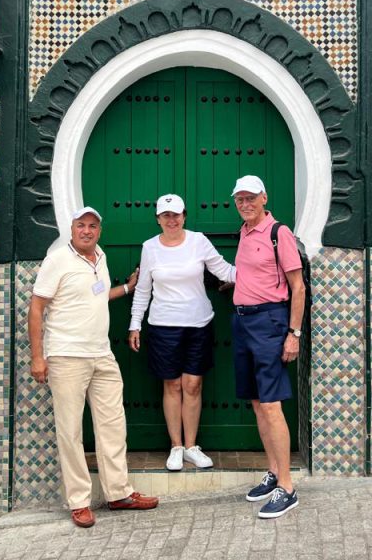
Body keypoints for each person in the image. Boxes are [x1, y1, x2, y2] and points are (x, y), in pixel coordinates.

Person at [29, 206, 159, 528]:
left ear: (99, 231)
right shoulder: (57, 260)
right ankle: (79, 501)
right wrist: (37, 357)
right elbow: (36, 308)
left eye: (93, 226)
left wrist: (127, 288)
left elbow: (96, 295)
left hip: (102, 355)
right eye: (81, 225)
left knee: (113, 424)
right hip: (66, 356)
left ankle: (118, 492)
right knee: (70, 431)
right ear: (71, 229)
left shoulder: (99, 257)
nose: (87, 231)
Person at [128, 193, 236, 472]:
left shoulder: (199, 241)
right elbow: (143, 290)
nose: (171, 220)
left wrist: (260, 273)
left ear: (184, 216)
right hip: (163, 325)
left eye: (176, 214)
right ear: (158, 219)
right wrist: (134, 323)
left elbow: (224, 270)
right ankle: (176, 447)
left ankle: (191, 447)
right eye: (166, 215)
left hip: (198, 323)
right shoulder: (150, 247)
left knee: (193, 385)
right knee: (172, 385)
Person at [231, 176, 305, 519]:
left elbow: (298, 287)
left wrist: (294, 333)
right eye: (239, 199)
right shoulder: (245, 232)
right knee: (258, 402)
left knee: (272, 404)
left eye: (250, 198)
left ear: (264, 197)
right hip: (243, 322)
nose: (244, 204)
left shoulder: (280, 233)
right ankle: (275, 473)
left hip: (270, 323)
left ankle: (288, 489)